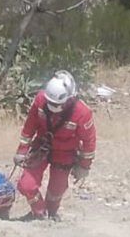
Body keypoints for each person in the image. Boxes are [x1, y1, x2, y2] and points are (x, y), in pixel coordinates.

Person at [13, 71, 96, 221]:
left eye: (58, 104)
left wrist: (84, 166)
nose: (53, 107)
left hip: (65, 153)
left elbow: (89, 142)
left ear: (70, 98)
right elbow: (29, 127)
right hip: (41, 148)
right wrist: (21, 150)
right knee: (26, 185)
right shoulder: (40, 100)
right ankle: (39, 213)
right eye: (50, 103)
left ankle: (51, 214)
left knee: (57, 190)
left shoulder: (82, 113)